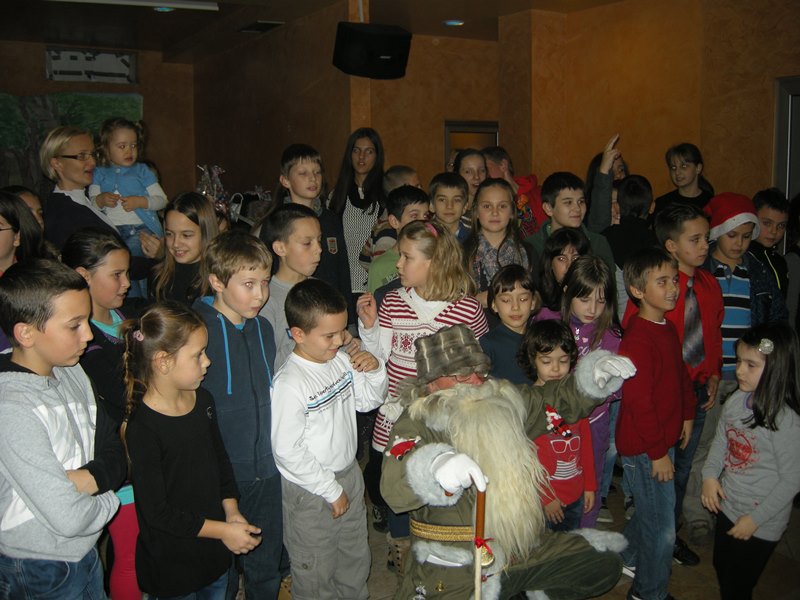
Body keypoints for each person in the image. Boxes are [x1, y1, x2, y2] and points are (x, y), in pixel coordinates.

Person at [380, 323, 636, 598]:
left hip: (518, 546)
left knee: (602, 563)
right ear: (432, 382)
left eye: (479, 370)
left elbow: (555, 399)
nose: (475, 381)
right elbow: (394, 487)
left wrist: (594, 376)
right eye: (462, 374)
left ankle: (523, 591)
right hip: (457, 558)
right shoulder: (415, 421)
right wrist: (434, 467)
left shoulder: (501, 400)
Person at [358, 219, 489, 572]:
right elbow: (379, 357)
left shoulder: (467, 309)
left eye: (406, 257)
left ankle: (443, 547)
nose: (397, 264)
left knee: (444, 480)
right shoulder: (392, 303)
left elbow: (476, 367)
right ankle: (401, 544)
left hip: (447, 419)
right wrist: (369, 328)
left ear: (434, 262)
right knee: (399, 480)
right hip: (400, 417)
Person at [0, 259, 125, 598]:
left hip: (84, 552)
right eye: (75, 325)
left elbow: (113, 447)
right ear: (26, 333)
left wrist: (90, 478)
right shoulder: (11, 408)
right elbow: (69, 518)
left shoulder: (71, 370)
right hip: (38, 565)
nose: (89, 334)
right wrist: (109, 498)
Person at [122, 302, 262, 599]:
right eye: (198, 354)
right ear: (163, 362)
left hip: (214, 554)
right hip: (174, 567)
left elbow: (220, 462)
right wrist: (223, 531)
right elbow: (157, 512)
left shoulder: (203, 401)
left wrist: (232, 511)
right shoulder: (143, 428)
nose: (207, 361)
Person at [271, 278, 387, 600]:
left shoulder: (338, 360)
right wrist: (329, 489)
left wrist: (375, 370)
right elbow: (287, 452)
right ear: (298, 334)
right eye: (329, 335)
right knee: (316, 571)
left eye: (341, 331)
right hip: (311, 489)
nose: (340, 340)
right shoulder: (290, 383)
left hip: (348, 474)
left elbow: (368, 401)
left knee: (355, 558)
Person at [190, 230, 286, 600]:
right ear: (216, 281)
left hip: (267, 466)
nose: (260, 294)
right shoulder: (196, 330)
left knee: (266, 560)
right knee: (221, 569)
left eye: (265, 282)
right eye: (249, 284)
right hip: (221, 473)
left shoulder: (263, 327)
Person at [625, 203, 723, 560]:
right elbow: (639, 363)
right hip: (660, 400)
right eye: (695, 239)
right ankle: (659, 536)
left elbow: (712, 333)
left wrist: (714, 372)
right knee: (661, 473)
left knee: (682, 469)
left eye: (706, 238)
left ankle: (664, 529)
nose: (704, 246)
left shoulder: (709, 285)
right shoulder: (654, 295)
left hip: (693, 393)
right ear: (671, 245)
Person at [61, 227, 143, 600]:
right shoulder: (83, 342)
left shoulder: (127, 316)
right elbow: (124, 396)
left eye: (127, 273)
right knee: (128, 556)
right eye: (116, 275)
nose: (127, 283)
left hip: (145, 452)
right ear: (83, 276)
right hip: (118, 459)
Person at [617, 247, 697, 600]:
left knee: (650, 515)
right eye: (662, 282)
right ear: (637, 290)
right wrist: (657, 453)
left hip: (662, 442)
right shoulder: (637, 338)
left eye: (674, 280)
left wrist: (688, 412)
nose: (673, 288)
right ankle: (648, 593)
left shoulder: (666, 327)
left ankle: (625, 557)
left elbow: (679, 374)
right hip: (647, 448)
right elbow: (639, 402)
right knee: (662, 529)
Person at [701, 323, 800, 600]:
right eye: (739, 361)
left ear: (776, 368)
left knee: (738, 585)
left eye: (751, 365)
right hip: (729, 506)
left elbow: (793, 479)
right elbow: (721, 442)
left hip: (762, 521)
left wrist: (755, 520)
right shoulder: (736, 400)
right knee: (722, 566)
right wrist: (709, 476)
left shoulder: (786, 421)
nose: (740, 371)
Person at [556, 256, 622, 528]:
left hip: (594, 426)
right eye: (584, 299)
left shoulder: (611, 337)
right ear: (567, 292)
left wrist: (602, 384)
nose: (592, 309)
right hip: (554, 424)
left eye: (601, 301)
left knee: (590, 486)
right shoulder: (549, 323)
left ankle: (585, 535)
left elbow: (615, 390)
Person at [521, 320, 596, 531]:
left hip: (575, 494)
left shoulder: (575, 400)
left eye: (563, 360)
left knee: (570, 544)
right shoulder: (530, 403)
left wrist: (589, 486)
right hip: (542, 499)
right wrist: (546, 497)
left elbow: (586, 448)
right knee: (543, 547)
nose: (555, 368)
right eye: (546, 361)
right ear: (533, 360)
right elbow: (526, 459)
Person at [266, 143, 353, 324]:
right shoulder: (276, 223)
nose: (312, 179)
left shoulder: (331, 219)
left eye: (317, 172)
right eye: (303, 173)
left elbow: (342, 269)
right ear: (285, 180)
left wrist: (349, 316)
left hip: (329, 307)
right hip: (295, 308)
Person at [90, 117, 167, 297]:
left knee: (127, 267)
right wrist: (100, 200)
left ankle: (136, 302)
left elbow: (162, 200)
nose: (129, 151)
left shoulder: (142, 170)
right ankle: (137, 303)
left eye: (133, 145)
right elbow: (92, 203)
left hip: (140, 231)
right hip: (112, 233)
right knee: (122, 271)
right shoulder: (99, 173)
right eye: (122, 146)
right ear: (106, 149)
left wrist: (141, 201)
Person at [258, 203, 322, 369]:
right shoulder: (265, 298)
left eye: (319, 240)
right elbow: (268, 364)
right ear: (280, 248)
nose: (319, 249)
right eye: (307, 243)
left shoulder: (321, 289)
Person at [329, 128, 386, 300]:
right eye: (356, 150)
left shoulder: (386, 196)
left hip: (377, 286)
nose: (361, 157)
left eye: (369, 151)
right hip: (344, 286)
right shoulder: (336, 196)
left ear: (377, 156)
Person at [525, 171, 616, 274]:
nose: (577, 208)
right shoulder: (531, 246)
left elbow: (608, 281)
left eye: (581, 202)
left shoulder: (597, 243)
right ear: (548, 208)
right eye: (568, 202)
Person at [463, 178, 531, 308]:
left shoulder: (528, 252)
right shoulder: (461, 254)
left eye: (502, 206)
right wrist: (474, 301)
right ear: (476, 211)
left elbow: (537, 297)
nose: (495, 212)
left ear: (512, 212)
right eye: (487, 206)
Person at [601, 175, 658, 317]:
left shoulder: (604, 238)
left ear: (617, 206)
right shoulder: (656, 242)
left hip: (607, 315)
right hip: (645, 315)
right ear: (652, 207)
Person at [152, 191, 220, 306]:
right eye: (169, 234)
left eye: (186, 235)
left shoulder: (220, 282)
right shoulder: (159, 276)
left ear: (206, 234)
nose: (176, 244)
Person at [480, 264, 539, 384]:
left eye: (523, 299)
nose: (515, 307)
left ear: (533, 302)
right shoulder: (488, 343)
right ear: (494, 305)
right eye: (506, 300)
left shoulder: (540, 338)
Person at [367, 184, 429, 293]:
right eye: (414, 216)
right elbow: (375, 301)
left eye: (426, 216)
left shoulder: (432, 258)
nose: (423, 222)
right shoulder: (380, 267)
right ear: (395, 221)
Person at [359, 165, 421, 271]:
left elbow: (364, 259)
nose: (421, 191)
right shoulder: (387, 232)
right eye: (416, 187)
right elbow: (383, 271)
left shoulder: (386, 220)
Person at [482, 145, 546, 236]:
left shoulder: (539, 194)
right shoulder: (486, 203)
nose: (481, 175)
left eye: (484, 169)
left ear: (503, 165)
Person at [534, 227, 591, 321]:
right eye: (561, 259)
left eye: (575, 258)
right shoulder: (539, 303)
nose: (569, 265)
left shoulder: (597, 300)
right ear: (550, 263)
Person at [653, 143, 715, 216]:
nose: (677, 172)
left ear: (698, 168)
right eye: (673, 167)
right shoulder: (662, 204)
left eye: (684, 166)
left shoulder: (712, 203)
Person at [749, 187, 789, 295]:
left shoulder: (780, 262)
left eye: (781, 225)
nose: (774, 231)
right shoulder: (744, 258)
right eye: (767, 223)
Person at [585, 134, 628, 233]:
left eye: (621, 170)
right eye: (611, 172)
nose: (617, 176)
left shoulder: (634, 204)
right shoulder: (591, 214)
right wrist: (604, 171)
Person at [428, 171, 470, 242]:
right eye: (442, 200)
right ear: (431, 205)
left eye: (456, 200)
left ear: (465, 207)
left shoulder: (473, 239)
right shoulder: (423, 236)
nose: (449, 206)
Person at [453, 148, 487, 217]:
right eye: (468, 171)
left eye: (482, 170)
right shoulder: (449, 211)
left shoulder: (493, 210)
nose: (477, 177)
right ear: (457, 174)